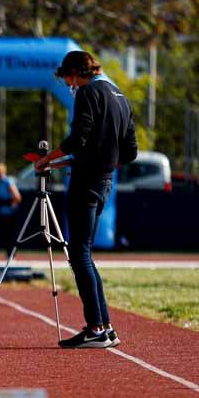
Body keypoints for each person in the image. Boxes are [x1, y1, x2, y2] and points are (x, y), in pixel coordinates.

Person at [34, 50, 137, 349]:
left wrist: (46, 160)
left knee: (79, 255)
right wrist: (86, 162)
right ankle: (105, 327)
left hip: (86, 184)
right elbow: (129, 152)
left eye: (68, 77)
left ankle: (95, 328)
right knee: (86, 255)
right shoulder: (120, 96)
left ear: (79, 71)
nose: (68, 84)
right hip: (104, 182)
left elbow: (77, 138)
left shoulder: (88, 92)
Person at [0, 161, 22, 247]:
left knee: (9, 236)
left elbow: (17, 198)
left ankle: (10, 255)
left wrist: (10, 205)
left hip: (8, 214)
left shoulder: (7, 182)